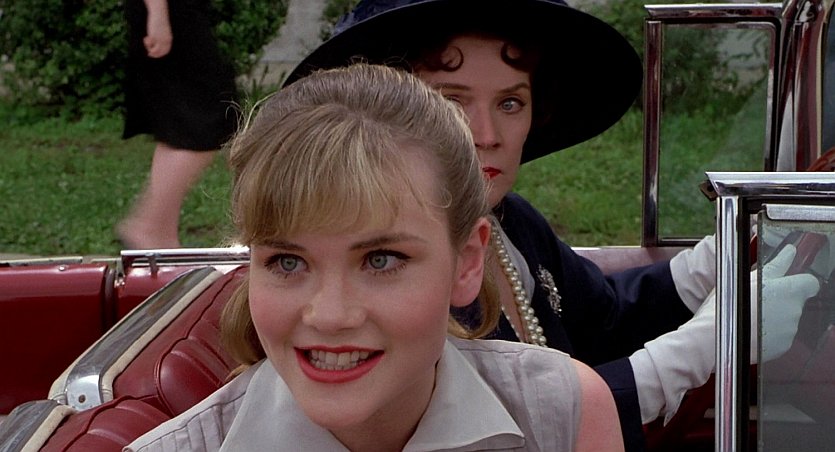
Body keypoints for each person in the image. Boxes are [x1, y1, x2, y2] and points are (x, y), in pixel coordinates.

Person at [283, 0, 822, 449]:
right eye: (450, 102)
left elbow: (605, 316)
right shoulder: (382, 269)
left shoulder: (508, 222)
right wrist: (708, 345)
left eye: (510, 102)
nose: (486, 134)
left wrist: (719, 255)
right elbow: (519, 427)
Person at [125, 63, 624, 451]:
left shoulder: (563, 414)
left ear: (468, 262)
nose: (330, 315)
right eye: (288, 262)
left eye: (381, 260)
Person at [117, 0, 239, 249]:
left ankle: (160, 236)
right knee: (209, 120)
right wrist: (158, 14)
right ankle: (149, 229)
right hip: (171, 13)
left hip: (173, 13)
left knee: (179, 127)